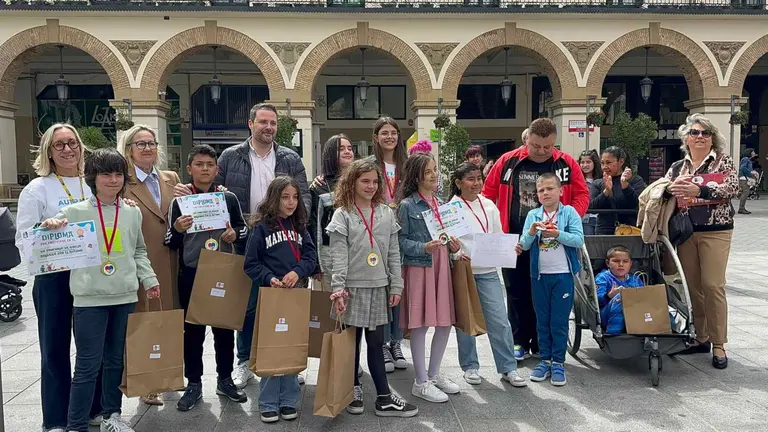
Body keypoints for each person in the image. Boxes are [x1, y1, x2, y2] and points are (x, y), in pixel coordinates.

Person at [174, 103, 309, 389]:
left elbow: (303, 194)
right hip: (244, 238)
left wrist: (296, 223)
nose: (268, 127)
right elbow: (213, 193)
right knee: (245, 306)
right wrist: (188, 192)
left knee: (282, 303)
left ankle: (284, 357)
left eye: (272, 122)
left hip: (282, 233)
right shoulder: (231, 156)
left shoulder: (290, 157)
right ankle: (244, 362)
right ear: (251, 124)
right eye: (263, 122)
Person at [39, 148, 161, 432]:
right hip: (89, 299)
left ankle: (111, 415)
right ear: (93, 178)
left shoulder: (132, 213)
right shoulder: (73, 212)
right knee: (87, 364)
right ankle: (77, 424)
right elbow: (50, 238)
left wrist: (150, 279)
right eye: (106, 174)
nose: (113, 180)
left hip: (124, 297)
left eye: (119, 174)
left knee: (115, 361)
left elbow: (139, 252)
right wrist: (53, 225)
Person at [14, 123, 105, 432]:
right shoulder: (37, 189)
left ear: (81, 147)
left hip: (90, 275)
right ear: (49, 152)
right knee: (54, 348)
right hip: (53, 279)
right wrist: (46, 235)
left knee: (91, 347)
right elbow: (23, 238)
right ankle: (55, 419)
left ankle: (94, 409)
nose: (67, 150)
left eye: (72, 143)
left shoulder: (92, 183)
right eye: (59, 145)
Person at [482, 118, 589, 361]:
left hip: (553, 241)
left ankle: (543, 343)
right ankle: (519, 341)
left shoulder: (566, 163)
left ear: (555, 143)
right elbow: (488, 194)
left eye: (547, 147)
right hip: (515, 239)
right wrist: (493, 227)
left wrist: (569, 218)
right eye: (536, 146)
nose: (541, 152)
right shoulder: (507, 161)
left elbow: (582, 194)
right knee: (517, 291)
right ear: (526, 140)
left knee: (545, 294)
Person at [326, 159, 419, 418]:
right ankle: (353, 389)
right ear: (352, 182)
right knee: (351, 343)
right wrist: (338, 289)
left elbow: (393, 252)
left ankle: (384, 398)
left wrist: (396, 286)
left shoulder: (386, 213)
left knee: (377, 342)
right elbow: (338, 255)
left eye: (374, 181)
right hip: (351, 289)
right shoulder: (342, 213)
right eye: (364, 180)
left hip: (379, 286)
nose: (370, 186)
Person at [164, 145, 249, 411]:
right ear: (189, 169)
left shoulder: (228, 198)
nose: (204, 169)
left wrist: (234, 235)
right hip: (192, 271)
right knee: (193, 332)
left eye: (209, 165)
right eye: (199, 164)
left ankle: (225, 379)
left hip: (222, 269)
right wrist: (178, 229)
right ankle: (194, 384)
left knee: (224, 329)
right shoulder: (179, 202)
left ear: (217, 169)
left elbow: (243, 229)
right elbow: (169, 241)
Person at [666, 114, 739, 369]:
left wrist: (701, 191)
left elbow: (733, 188)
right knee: (693, 287)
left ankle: (719, 343)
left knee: (713, 285)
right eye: (695, 133)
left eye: (705, 133)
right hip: (686, 231)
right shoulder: (677, 167)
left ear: (712, 138)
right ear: (686, 138)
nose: (700, 137)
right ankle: (701, 336)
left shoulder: (722, 162)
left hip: (716, 230)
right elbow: (666, 191)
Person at [243, 176, 317, 423]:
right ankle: (267, 402)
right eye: (285, 197)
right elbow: (250, 264)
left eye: (295, 197)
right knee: (271, 347)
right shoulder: (261, 228)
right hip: (272, 296)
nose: (291, 202)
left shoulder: (300, 226)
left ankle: (288, 400)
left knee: (292, 345)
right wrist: (269, 278)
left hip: (295, 295)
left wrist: (298, 271)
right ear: (274, 197)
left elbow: (310, 257)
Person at [118, 124, 182, 406]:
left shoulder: (171, 179)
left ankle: (167, 375)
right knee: (145, 321)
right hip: (142, 263)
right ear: (129, 150)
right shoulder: (123, 182)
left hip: (173, 260)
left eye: (152, 143)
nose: (147, 149)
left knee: (169, 320)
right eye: (140, 144)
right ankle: (147, 383)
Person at [448, 162, 527, 388]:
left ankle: (508, 367)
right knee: (466, 319)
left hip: (489, 271)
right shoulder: (451, 208)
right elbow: (448, 241)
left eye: (478, 179)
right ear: (458, 183)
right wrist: (456, 254)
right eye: (470, 179)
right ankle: (470, 366)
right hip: (464, 271)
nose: (476, 183)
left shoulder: (489, 205)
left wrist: (509, 248)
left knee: (499, 320)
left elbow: (498, 235)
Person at [397, 153, 460, 403]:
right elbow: (400, 241)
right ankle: (421, 381)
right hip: (419, 267)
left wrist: (454, 246)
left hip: (441, 264)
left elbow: (450, 234)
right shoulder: (407, 206)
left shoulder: (441, 202)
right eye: (429, 171)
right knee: (421, 324)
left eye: (435, 169)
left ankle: (433, 375)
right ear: (416, 176)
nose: (435, 175)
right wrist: (423, 247)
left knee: (444, 322)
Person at [517, 172, 584, 386]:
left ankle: (558, 362)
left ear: (560, 190)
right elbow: (524, 245)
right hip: (539, 276)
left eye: (550, 188)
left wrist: (557, 234)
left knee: (559, 321)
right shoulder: (534, 215)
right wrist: (530, 232)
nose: (545, 193)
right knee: (542, 320)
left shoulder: (569, 212)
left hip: (563, 275)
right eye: (541, 190)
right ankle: (544, 360)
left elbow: (578, 239)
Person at [309, 134, 355, 292]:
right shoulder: (319, 187)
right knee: (330, 305)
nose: (347, 151)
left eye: (349, 148)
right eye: (341, 149)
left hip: (357, 252)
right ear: (330, 154)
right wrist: (316, 263)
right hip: (329, 255)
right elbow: (313, 226)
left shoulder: (361, 182)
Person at [589, 146, 647, 235]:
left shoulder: (635, 180)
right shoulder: (598, 183)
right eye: (602, 163)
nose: (605, 167)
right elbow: (592, 207)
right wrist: (606, 192)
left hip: (629, 230)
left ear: (621, 162)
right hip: (604, 231)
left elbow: (638, 203)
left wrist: (625, 186)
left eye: (608, 163)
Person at [595, 246, 645, 335]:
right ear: (608, 263)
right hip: (606, 315)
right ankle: (612, 336)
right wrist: (609, 296)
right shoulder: (602, 278)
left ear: (630, 264)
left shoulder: (636, 280)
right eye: (616, 261)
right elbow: (596, 302)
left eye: (625, 261)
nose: (621, 264)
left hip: (634, 315)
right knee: (620, 298)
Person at [579, 150, 600, 235]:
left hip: (601, 218)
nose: (585, 165)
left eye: (588, 162)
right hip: (585, 219)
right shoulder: (578, 180)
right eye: (582, 162)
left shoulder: (602, 179)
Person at [738, 148, 757, 214]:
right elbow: (743, 168)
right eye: (753, 152)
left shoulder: (747, 159)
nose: (754, 153)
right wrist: (750, 174)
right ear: (750, 153)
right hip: (744, 178)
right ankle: (741, 208)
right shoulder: (746, 159)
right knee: (745, 193)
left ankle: (742, 208)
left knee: (745, 193)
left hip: (744, 177)